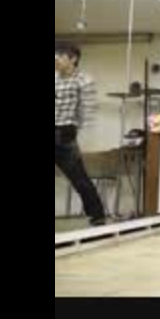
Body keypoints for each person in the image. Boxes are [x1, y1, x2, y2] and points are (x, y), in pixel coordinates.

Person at [55, 41, 107, 226]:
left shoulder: (84, 80)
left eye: (60, 56)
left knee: (79, 179)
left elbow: (88, 111)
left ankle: (97, 216)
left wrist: (79, 135)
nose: (55, 59)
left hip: (65, 134)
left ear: (73, 59)